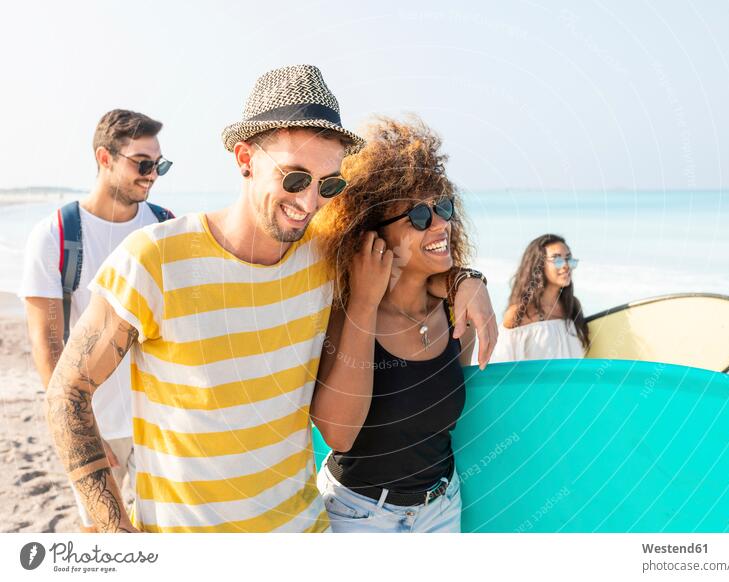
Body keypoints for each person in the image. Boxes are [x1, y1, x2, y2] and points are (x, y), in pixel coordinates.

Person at [44, 65, 496, 533]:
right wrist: (116, 534)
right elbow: (68, 393)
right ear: (244, 158)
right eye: (295, 177)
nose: (310, 202)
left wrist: (467, 280)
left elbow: (407, 264)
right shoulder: (154, 259)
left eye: (329, 184)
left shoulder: (324, 260)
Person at [311, 117, 478, 532]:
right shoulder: (345, 313)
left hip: (442, 505)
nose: (441, 224)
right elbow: (339, 435)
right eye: (419, 216)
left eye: (444, 208)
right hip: (360, 514)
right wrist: (366, 304)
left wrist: (468, 279)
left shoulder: (455, 309)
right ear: (372, 239)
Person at [19, 109, 173, 531]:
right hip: (93, 422)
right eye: (143, 163)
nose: (153, 174)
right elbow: (47, 345)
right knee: (100, 539)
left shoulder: (164, 228)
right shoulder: (55, 235)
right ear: (105, 159)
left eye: (160, 164)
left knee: (163, 535)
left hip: (157, 423)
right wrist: (80, 432)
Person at [493, 234, 589, 362]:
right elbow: (502, 364)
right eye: (557, 260)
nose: (566, 266)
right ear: (538, 265)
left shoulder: (572, 307)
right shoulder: (519, 314)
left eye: (569, 259)